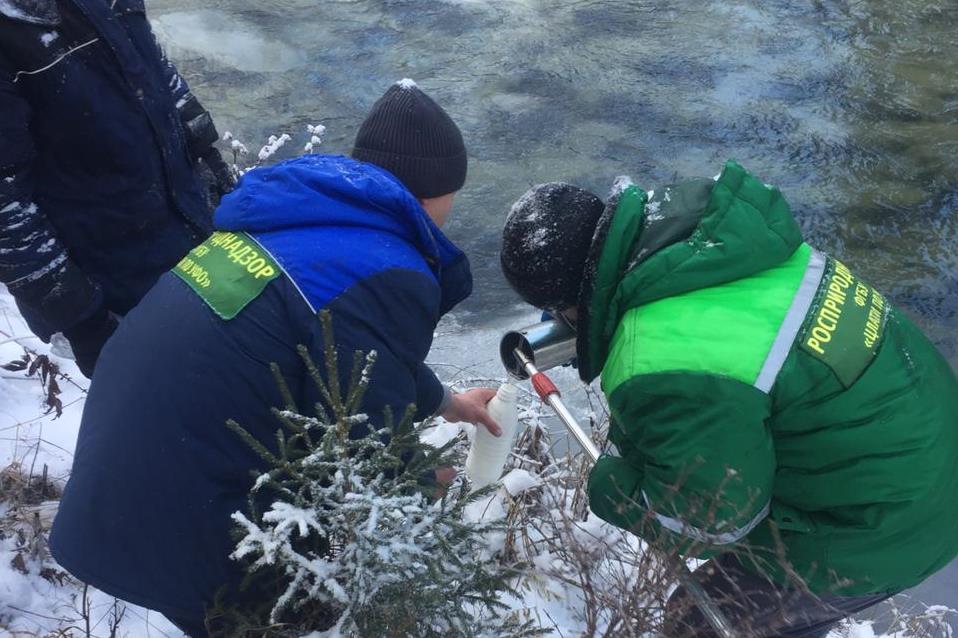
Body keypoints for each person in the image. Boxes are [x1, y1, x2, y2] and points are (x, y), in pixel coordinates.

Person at [49, 80, 499, 637]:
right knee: (286, 608)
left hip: (117, 485)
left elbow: (344, 352)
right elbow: (366, 446)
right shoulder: (388, 267)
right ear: (436, 194)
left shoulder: (296, 224)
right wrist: (424, 481)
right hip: (191, 517)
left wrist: (446, 402)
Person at [499, 162, 958, 637]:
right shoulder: (708, 239)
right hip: (930, 455)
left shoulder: (657, 357)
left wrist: (609, 486)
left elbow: (708, 523)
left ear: (569, 304)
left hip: (890, 526)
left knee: (698, 623)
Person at [0, 0, 231, 377]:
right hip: (117, 297)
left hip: (193, 240)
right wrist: (85, 324)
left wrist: (209, 159)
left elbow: (155, 70)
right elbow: (6, 209)